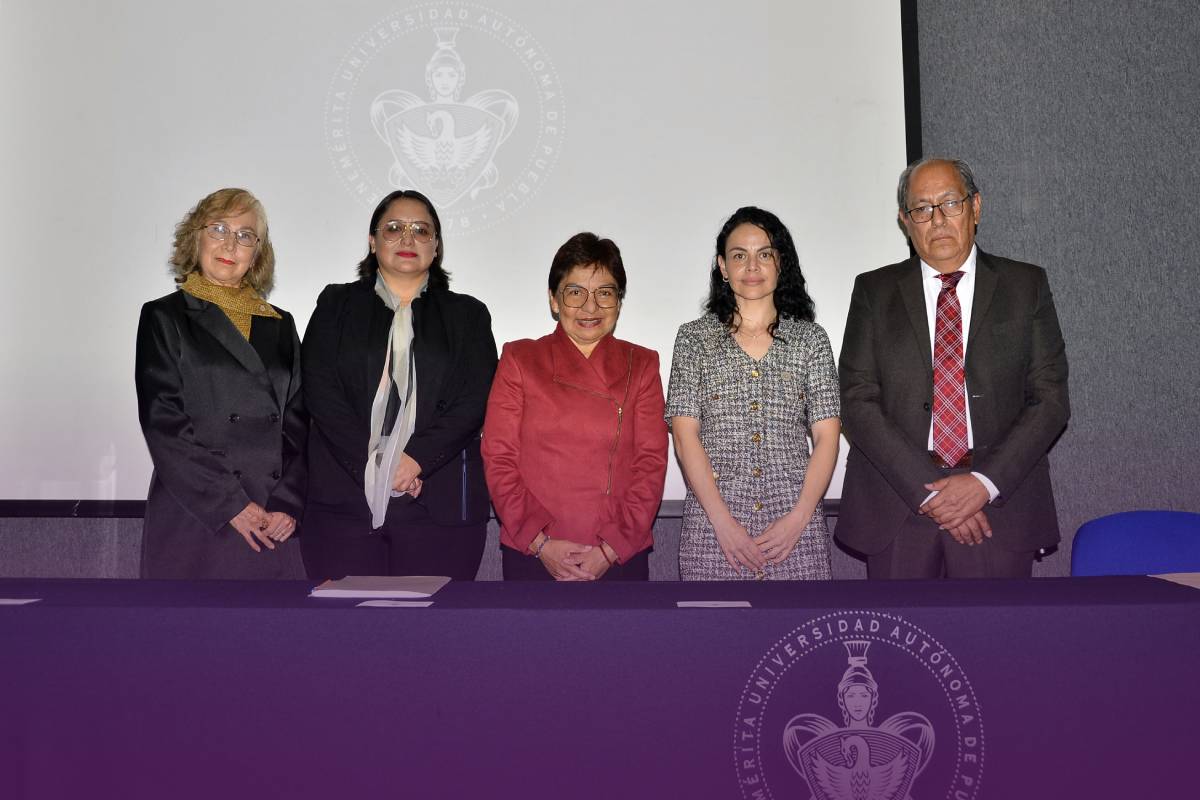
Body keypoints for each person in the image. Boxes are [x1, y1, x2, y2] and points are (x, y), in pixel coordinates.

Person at [837, 156, 1070, 579]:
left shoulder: (1025, 286)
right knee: (898, 644)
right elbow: (857, 401)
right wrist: (931, 494)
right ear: (905, 222)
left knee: (995, 643)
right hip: (899, 507)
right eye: (921, 209)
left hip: (1000, 507)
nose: (937, 219)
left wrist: (982, 484)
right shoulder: (873, 291)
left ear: (976, 207)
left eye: (950, 203)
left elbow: (1050, 400)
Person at [301, 189, 497, 580]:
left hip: (437, 507)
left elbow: (474, 400)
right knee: (347, 635)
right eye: (394, 228)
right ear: (373, 242)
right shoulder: (335, 305)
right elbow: (320, 391)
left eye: (421, 230)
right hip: (344, 504)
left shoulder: (468, 315)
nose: (408, 239)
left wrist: (414, 459)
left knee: (436, 638)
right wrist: (375, 464)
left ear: (436, 247)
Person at [135, 188, 306, 578]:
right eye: (219, 229)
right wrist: (230, 504)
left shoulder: (281, 324)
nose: (231, 243)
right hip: (199, 514)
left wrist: (289, 502)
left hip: (271, 522)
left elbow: (299, 425)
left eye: (246, 235)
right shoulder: (165, 317)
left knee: (273, 638)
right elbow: (164, 424)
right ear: (196, 237)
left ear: (258, 252)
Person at [666, 207, 841, 581]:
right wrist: (723, 523)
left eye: (765, 254)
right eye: (739, 255)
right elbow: (684, 437)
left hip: (796, 535)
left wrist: (799, 518)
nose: (752, 266)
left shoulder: (811, 340)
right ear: (722, 267)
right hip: (713, 538)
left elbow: (827, 438)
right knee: (716, 640)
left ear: (781, 262)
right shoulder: (693, 340)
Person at [482, 233, 668, 580]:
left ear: (619, 302)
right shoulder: (520, 359)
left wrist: (610, 548)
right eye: (574, 292)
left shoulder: (641, 364)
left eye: (605, 293)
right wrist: (540, 544)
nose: (590, 307)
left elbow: (651, 463)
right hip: (534, 551)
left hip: (617, 552)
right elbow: (499, 457)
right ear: (554, 300)